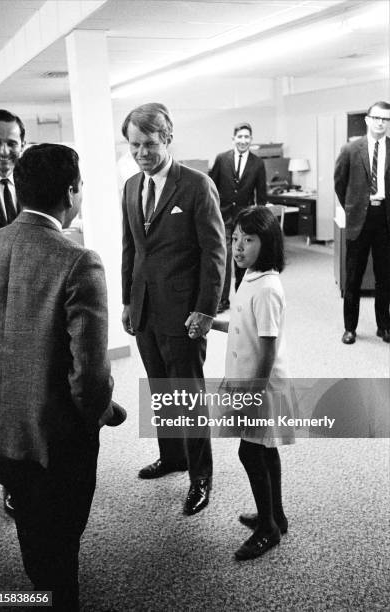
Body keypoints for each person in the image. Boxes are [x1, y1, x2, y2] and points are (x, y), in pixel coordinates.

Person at [0, 144, 124, 611]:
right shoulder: (78, 260)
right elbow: (89, 374)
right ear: (71, 191)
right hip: (55, 437)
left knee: (31, 535)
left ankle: (35, 595)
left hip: (3, 428)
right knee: (62, 547)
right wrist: (103, 412)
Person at [121, 102, 226, 515]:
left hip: (184, 313)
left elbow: (215, 252)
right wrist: (128, 301)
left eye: (149, 144)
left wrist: (206, 309)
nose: (142, 153)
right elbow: (131, 247)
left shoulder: (197, 185)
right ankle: (172, 457)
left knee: (188, 393)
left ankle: (201, 476)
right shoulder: (131, 186)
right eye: (134, 145)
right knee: (161, 390)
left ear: (167, 138)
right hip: (146, 309)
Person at [210, 206, 295, 560]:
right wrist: (213, 324)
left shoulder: (267, 288)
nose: (239, 247)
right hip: (250, 380)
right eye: (235, 239)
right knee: (264, 449)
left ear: (269, 241)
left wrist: (253, 395)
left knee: (250, 451)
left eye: (249, 239)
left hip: (259, 386)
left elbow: (269, 346)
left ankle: (267, 530)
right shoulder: (252, 277)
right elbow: (246, 328)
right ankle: (276, 515)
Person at [0, 108, 26, 516]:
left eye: (12, 142)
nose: (4, 150)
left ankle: (29, 470)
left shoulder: (31, 184)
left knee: (28, 394)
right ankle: (9, 483)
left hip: (31, 309)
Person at [334, 100, 390, 345]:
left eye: (386, 119)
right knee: (354, 277)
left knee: (385, 277)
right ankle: (350, 328)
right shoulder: (350, 149)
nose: (381, 123)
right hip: (358, 219)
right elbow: (339, 182)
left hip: (385, 219)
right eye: (376, 118)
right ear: (367, 120)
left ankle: (384, 326)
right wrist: (352, 206)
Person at [209, 122, 267, 313]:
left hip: (244, 220)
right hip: (223, 218)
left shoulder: (258, 164)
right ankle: (222, 300)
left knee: (242, 259)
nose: (243, 140)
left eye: (247, 137)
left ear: (251, 140)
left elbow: (262, 196)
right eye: (240, 137)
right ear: (233, 139)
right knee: (223, 260)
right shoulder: (221, 159)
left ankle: (242, 298)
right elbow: (210, 188)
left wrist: (259, 221)